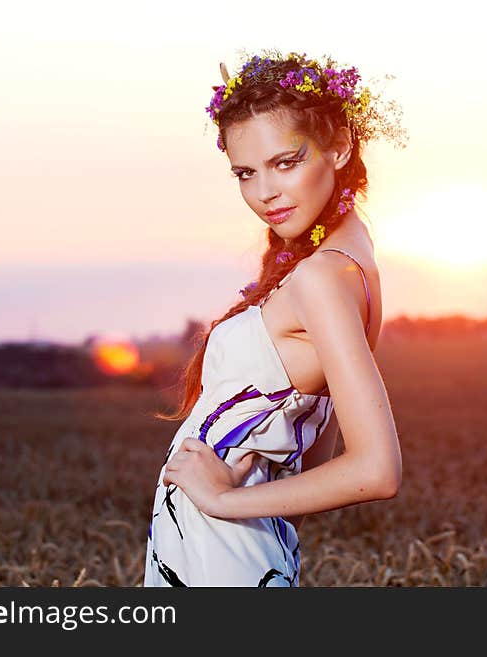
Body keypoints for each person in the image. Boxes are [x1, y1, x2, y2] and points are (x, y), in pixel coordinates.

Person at [144, 48, 408, 587]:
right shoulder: (351, 268)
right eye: (245, 172)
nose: (264, 193)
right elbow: (318, 450)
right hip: (221, 540)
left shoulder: (323, 278)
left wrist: (222, 500)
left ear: (339, 146)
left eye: (285, 162)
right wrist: (248, 508)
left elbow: (376, 470)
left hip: (224, 541)